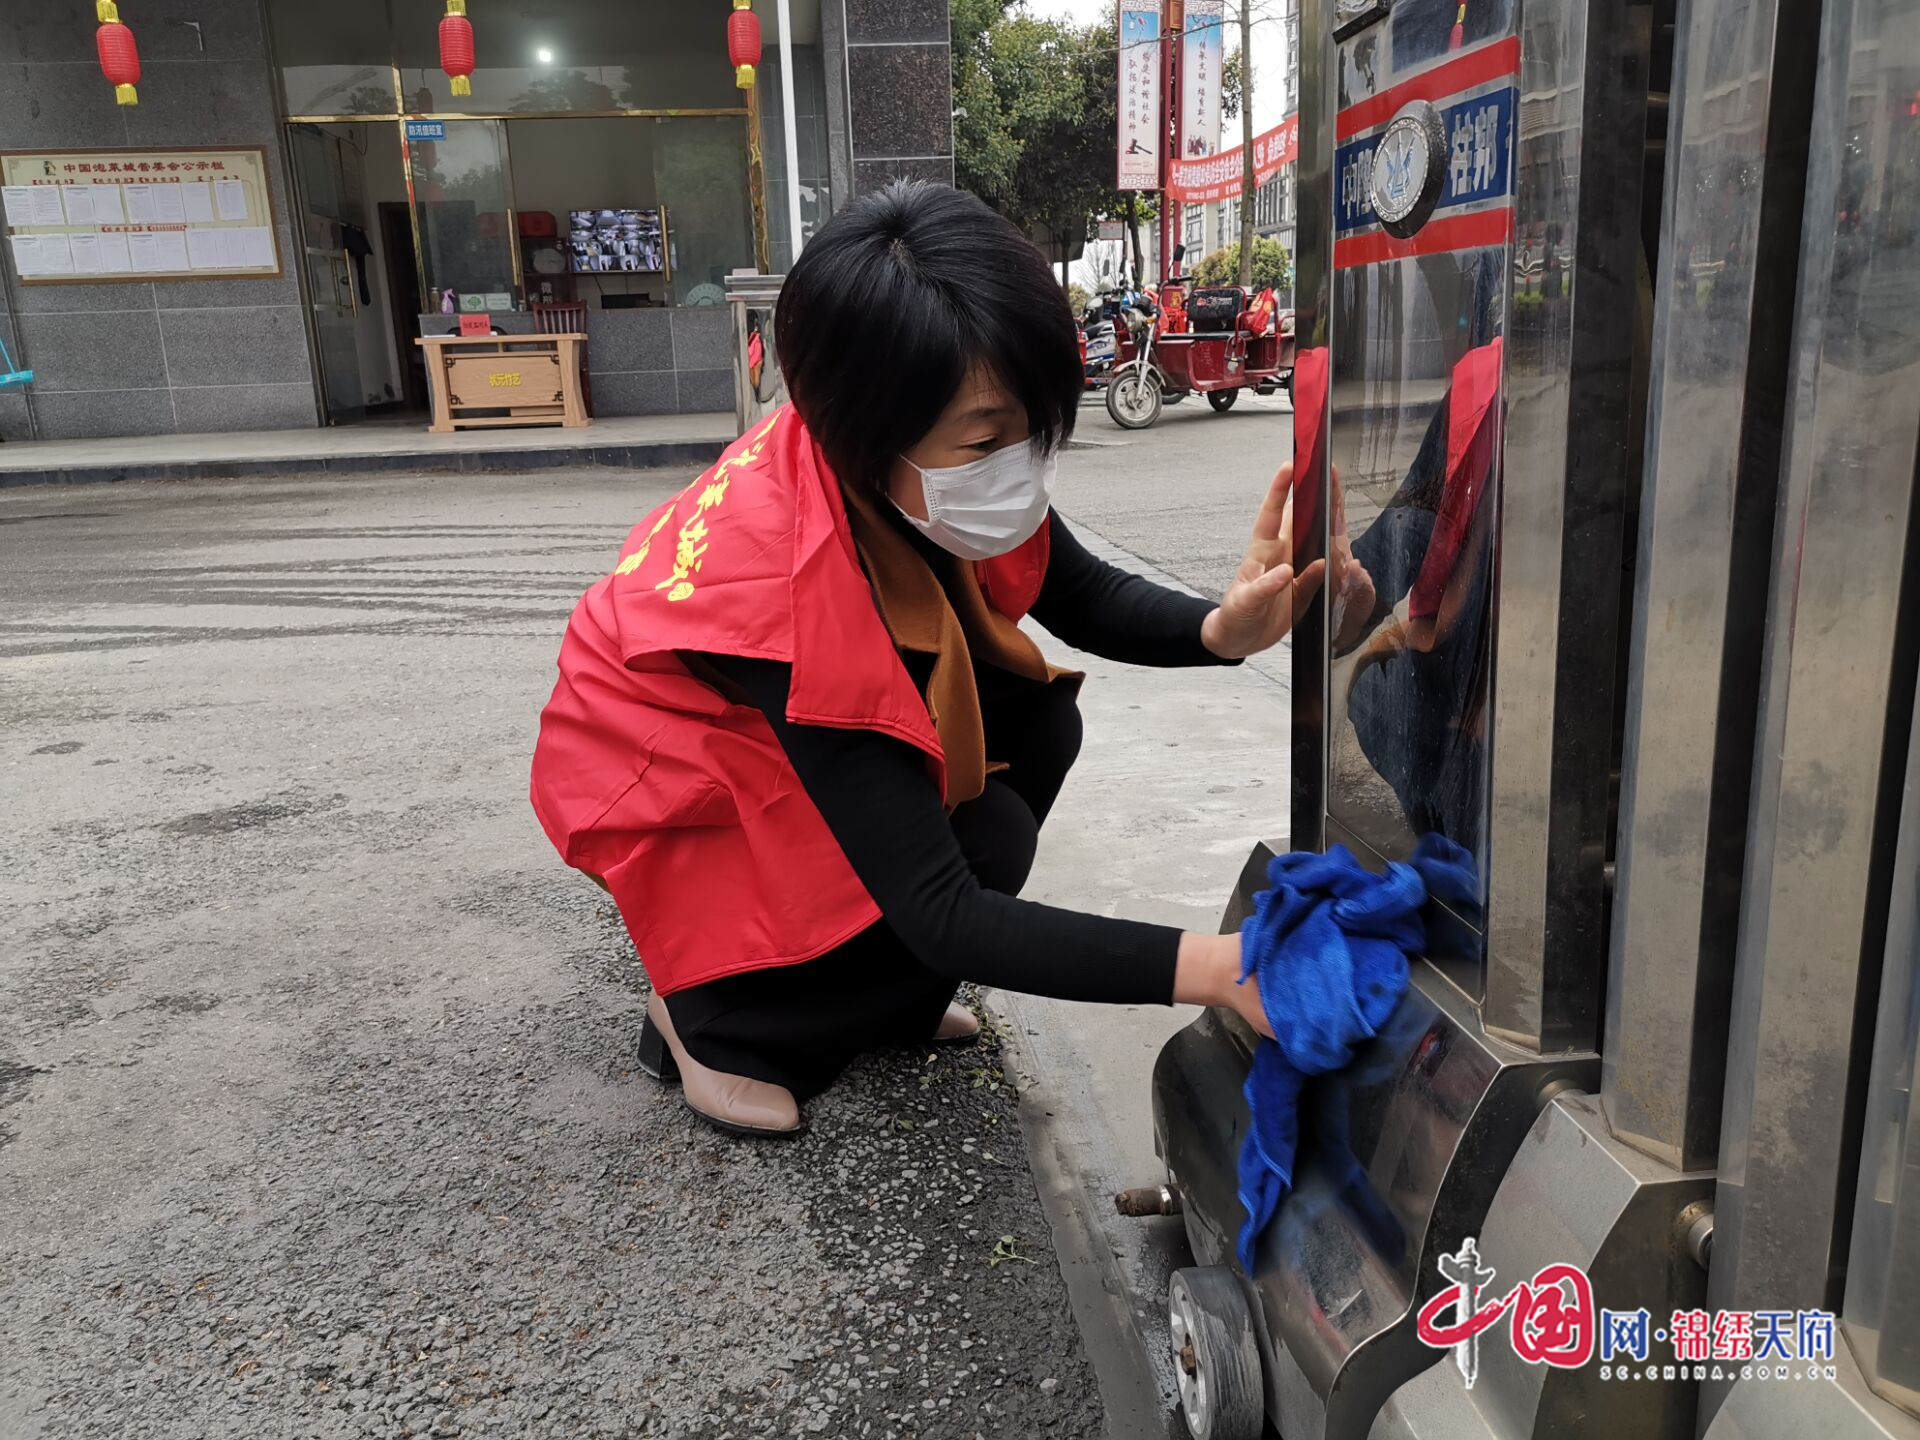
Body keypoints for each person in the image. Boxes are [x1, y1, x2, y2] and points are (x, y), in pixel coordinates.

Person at [529, 181, 1324, 1138]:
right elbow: (943, 910)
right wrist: (1223, 969)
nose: (1021, 461)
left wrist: (1217, 632)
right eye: (988, 438)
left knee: (1032, 727)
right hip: (682, 789)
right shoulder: (788, 591)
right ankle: (705, 1017)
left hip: (770, 740)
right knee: (971, 859)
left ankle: (877, 998)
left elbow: (1073, 588)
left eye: (1036, 423)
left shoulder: (914, 460)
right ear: (865, 435)